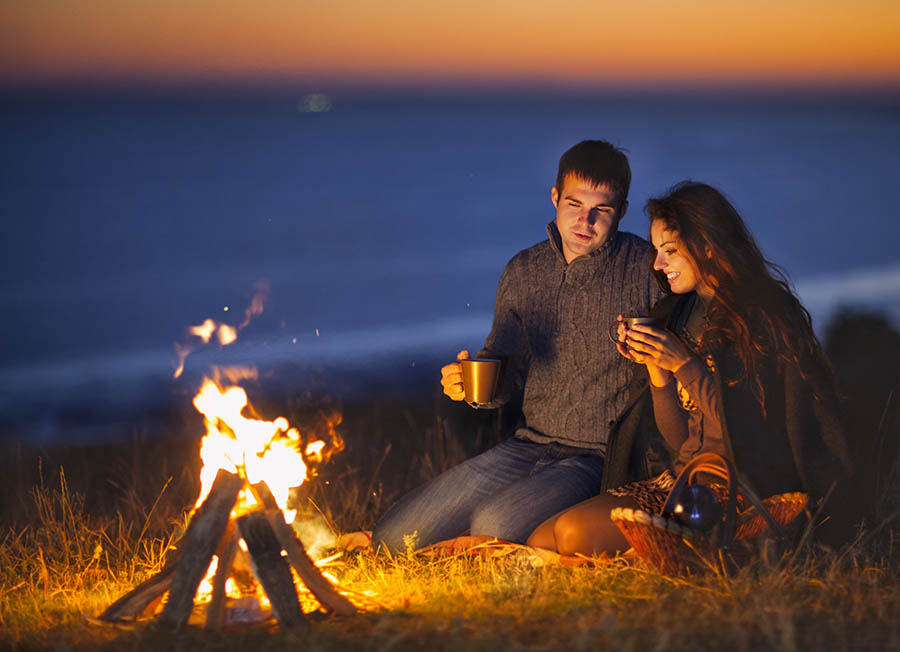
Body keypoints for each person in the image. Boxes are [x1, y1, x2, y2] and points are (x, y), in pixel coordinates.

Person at [528, 181, 855, 556]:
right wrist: (657, 368)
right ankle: (654, 552)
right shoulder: (677, 313)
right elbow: (680, 441)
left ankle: (676, 555)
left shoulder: (760, 316)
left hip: (735, 488)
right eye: (655, 251)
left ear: (707, 246)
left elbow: (750, 430)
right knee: (543, 538)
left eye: (669, 251)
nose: (657, 264)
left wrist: (683, 362)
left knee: (573, 536)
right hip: (681, 481)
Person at [371, 140, 664, 553]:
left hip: (599, 457)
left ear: (622, 210)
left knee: (494, 523)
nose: (586, 220)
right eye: (574, 204)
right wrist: (471, 385)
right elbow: (501, 369)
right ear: (555, 197)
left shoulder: (648, 268)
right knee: (393, 539)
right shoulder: (524, 271)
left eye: (603, 209)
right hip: (527, 446)